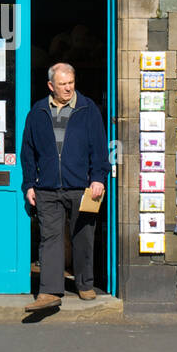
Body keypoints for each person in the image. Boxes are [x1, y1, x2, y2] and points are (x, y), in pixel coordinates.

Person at [20, 62, 111, 312]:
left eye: (71, 83)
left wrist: (98, 178)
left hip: (81, 186)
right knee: (50, 238)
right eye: (63, 84)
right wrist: (29, 184)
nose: (68, 88)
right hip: (47, 187)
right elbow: (27, 151)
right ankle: (49, 291)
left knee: (83, 236)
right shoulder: (38, 111)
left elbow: (99, 147)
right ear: (51, 85)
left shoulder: (87, 108)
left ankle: (84, 283)